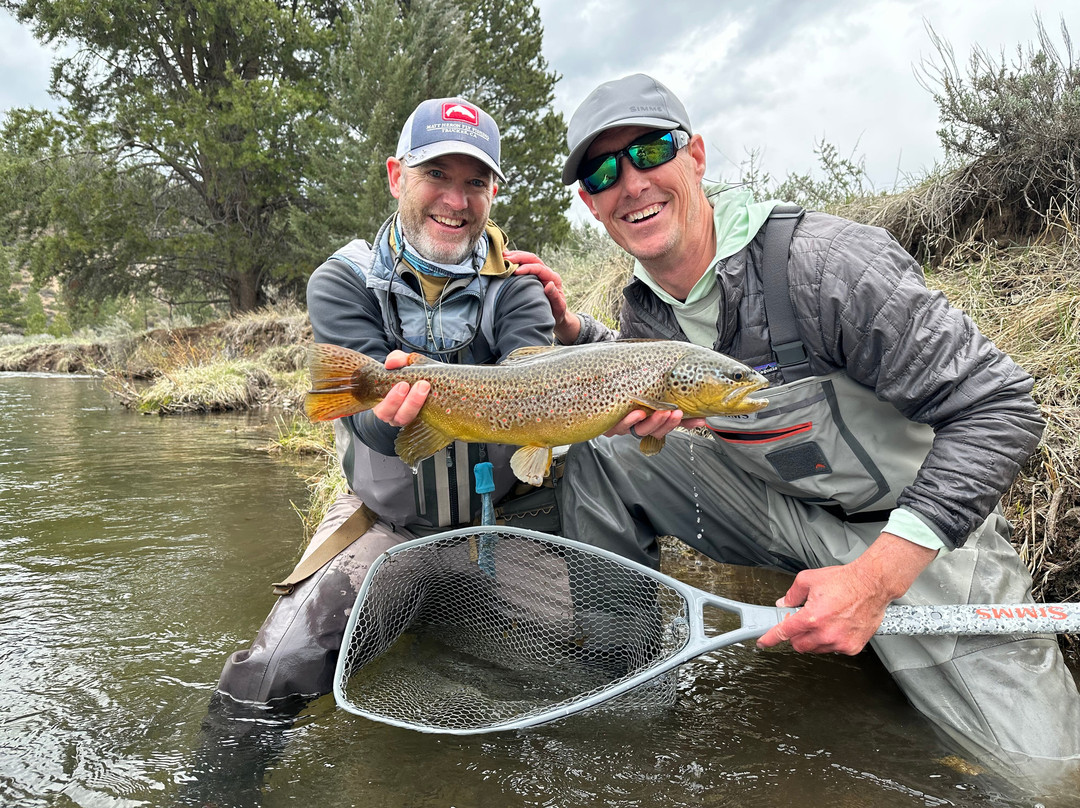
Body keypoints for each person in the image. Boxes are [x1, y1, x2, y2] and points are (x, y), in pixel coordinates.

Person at [514, 73, 1080, 778]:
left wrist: (876, 577)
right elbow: (642, 374)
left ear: (695, 156)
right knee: (603, 454)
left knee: (1048, 776)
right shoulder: (645, 315)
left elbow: (1000, 406)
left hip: (914, 533)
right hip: (783, 511)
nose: (630, 183)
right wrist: (573, 332)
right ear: (590, 204)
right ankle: (620, 691)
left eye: (650, 150)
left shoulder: (826, 266)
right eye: (602, 172)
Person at [215, 96, 556, 707]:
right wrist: (382, 414)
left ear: (492, 195)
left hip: (505, 526)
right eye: (436, 176)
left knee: (613, 649)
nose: (456, 200)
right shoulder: (342, 281)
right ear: (397, 176)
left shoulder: (520, 288)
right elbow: (369, 428)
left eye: (474, 183)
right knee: (267, 679)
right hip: (384, 525)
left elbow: (531, 400)